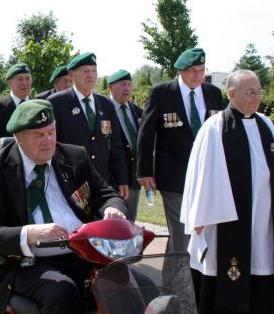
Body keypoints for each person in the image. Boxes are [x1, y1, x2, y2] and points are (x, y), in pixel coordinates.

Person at [0, 99, 129, 314]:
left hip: (83, 252)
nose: (48, 141)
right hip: (29, 262)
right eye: (38, 135)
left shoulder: (74, 157)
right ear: (18, 138)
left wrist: (113, 208)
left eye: (51, 132)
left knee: (129, 284)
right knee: (62, 291)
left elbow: (106, 194)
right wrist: (31, 233)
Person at [181, 70, 274, 314]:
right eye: (250, 92)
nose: (257, 97)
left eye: (259, 91)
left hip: (263, 218)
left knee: (261, 264)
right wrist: (199, 218)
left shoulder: (266, 124)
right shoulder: (215, 128)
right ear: (231, 93)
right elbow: (202, 176)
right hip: (225, 220)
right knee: (225, 275)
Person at [137, 47, 223, 255]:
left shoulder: (212, 93)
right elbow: (146, 134)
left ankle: (175, 281)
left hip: (207, 175)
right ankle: (183, 286)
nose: (198, 75)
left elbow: (220, 132)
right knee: (182, 232)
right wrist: (144, 171)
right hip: (174, 177)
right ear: (181, 71)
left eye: (201, 70)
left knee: (203, 233)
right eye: (193, 70)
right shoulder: (162, 93)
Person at [49, 52, 129, 198]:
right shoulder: (56, 103)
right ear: (72, 74)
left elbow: (116, 145)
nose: (91, 75)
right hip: (71, 183)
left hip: (103, 182)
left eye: (94, 71)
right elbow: (52, 145)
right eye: (86, 71)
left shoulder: (106, 104)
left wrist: (122, 179)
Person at [107, 70, 143, 221]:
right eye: (122, 84)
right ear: (110, 87)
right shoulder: (104, 109)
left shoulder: (137, 111)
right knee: (112, 221)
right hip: (112, 178)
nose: (127, 88)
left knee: (130, 220)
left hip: (133, 178)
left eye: (129, 84)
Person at [0, 63, 32, 149]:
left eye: (27, 78)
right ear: (9, 82)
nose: (25, 83)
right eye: (20, 79)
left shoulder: (38, 105)